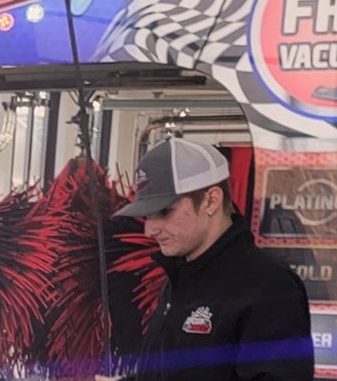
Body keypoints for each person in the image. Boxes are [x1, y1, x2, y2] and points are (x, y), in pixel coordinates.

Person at [113, 138, 314, 380]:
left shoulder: (269, 285)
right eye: (147, 216)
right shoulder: (180, 277)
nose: (150, 230)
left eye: (164, 211)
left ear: (211, 200)